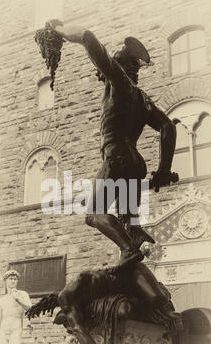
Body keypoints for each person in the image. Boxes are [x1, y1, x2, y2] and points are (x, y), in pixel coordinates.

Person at [49, 20, 178, 267]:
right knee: (128, 218)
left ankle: (129, 249)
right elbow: (168, 127)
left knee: (94, 214)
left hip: (117, 158)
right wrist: (163, 169)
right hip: (135, 164)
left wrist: (61, 31)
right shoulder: (143, 99)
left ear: (119, 64)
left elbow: (88, 38)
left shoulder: (119, 80)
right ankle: (135, 230)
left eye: (112, 59)